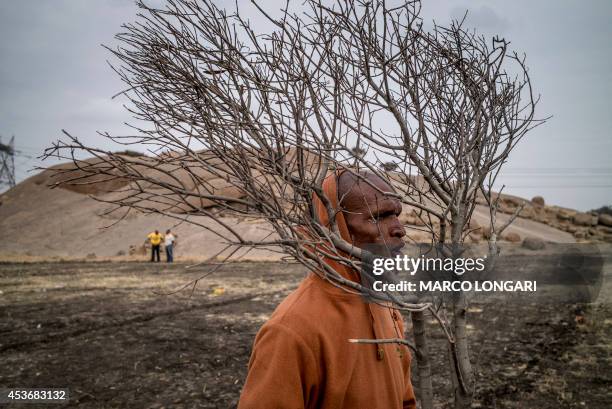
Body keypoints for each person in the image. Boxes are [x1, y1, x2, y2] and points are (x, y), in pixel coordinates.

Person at [238, 171, 416, 409]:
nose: (399, 229)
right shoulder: (291, 331)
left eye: (396, 214)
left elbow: (404, 401)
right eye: (379, 217)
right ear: (335, 229)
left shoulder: (385, 305)